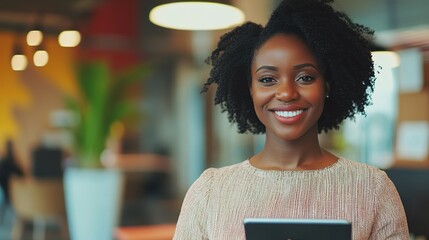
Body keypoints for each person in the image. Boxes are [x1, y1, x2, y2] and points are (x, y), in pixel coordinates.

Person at [173, 0, 409, 239]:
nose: (286, 93)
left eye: (305, 77)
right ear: (250, 89)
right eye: (267, 79)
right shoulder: (210, 192)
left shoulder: (373, 189)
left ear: (327, 85)